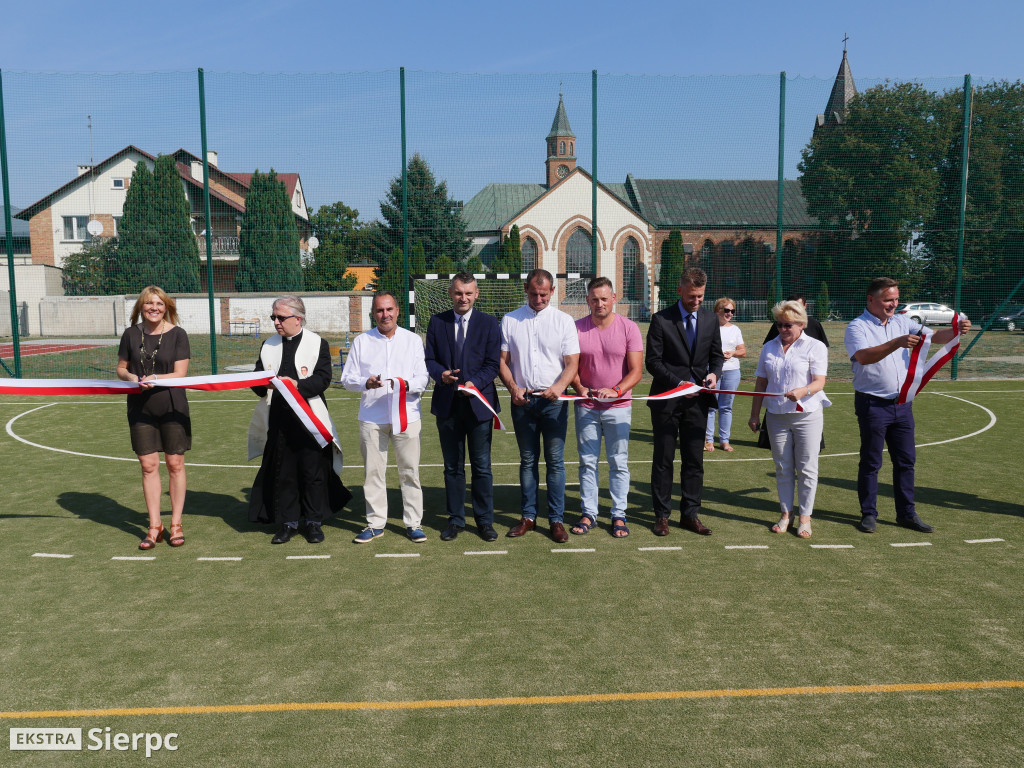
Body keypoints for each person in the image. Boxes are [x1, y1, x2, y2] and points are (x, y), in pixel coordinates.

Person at [845, 277, 970, 534]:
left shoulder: (903, 321)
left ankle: (907, 514)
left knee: (905, 462)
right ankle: (869, 514)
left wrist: (957, 330)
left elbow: (935, 337)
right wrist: (897, 343)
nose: (894, 304)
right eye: (888, 300)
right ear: (871, 300)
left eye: (896, 299)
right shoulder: (857, 326)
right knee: (871, 462)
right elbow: (863, 357)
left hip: (902, 404)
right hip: (872, 404)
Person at [248, 296, 350, 544]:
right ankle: (288, 523)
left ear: (298, 318)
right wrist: (261, 384)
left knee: (313, 472)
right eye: (273, 317)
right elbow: (257, 380)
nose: (276, 322)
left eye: (280, 317)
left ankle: (314, 522)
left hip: (310, 419)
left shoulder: (318, 343)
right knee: (284, 472)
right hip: (279, 420)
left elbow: (323, 378)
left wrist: (297, 386)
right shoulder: (268, 345)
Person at [499, 269, 580, 543]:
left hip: (554, 402)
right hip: (522, 401)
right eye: (533, 293)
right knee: (528, 460)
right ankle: (528, 517)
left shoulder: (564, 321)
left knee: (555, 462)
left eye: (544, 294)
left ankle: (556, 520)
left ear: (552, 291)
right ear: (526, 289)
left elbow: (572, 363)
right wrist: (513, 388)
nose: (538, 299)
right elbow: (502, 361)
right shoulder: (510, 319)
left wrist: (559, 387)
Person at [342, 291, 430, 543]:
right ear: (373, 313)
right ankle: (375, 523)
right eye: (380, 310)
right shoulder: (362, 341)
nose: (385, 315)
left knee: (410, 471)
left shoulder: (413, 340)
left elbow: (423, 377)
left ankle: (413, 523)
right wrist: (365, 383)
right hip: (372, 417)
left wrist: (405, 385)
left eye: (389, 309)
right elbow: (347, 379)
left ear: (397, 311)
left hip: (407, 416)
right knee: (373, 473)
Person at [646, 267, 724, 536]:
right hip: (667, 402)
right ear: (680, 290)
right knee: (664, 460)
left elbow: (716, 357)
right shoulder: (661, 320)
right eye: (692, 296)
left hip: (698, 403)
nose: (696, 301)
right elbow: (652, 362)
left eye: (701, 296)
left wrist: (714, 374)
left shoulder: (711, 320)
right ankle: (662, 516)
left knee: (694, 461)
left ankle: (690, 515)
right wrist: (678, 384)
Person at [425, 273, 501, 543]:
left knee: (482, 467)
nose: (463, 298)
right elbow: (429, 359)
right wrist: (441, 375)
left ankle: (484, 521)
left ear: (476, 294)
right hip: (447, 405)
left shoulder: (489, 323)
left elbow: (493, 364)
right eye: (458, 293)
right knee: (452, 467)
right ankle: (455, 520)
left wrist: (474, 383)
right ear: (450, 293)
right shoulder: (437, 322)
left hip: (479, 406)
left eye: (468, 293)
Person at [747, 300, 831, 538]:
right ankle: (786, 513)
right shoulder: (769, 347)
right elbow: (761, 382)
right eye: (779, 324)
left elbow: (819, 382)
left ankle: (805, 517)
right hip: (776, 415)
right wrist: (754, 414)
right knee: (783, 467)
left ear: (801, 324)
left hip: (807, 415)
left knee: (807, 468)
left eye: (788, 325)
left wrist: (803, 391)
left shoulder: (815, 346)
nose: (783, 329)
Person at [116, 286, 191, 550]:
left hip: (172, 405)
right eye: (149, 303)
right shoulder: (130, 334)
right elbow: (121, 368)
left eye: (159, 304)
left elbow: (180, 373)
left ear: (166, 307)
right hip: (140, 407)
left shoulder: (178, 334)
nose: (154, 308)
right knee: (148, 466)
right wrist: (131, 377)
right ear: (141, 307)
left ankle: (176, 524)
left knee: (175, 464)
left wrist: (156, 378)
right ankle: (154, 526)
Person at [569, 277, 643, 538]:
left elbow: (636, 371)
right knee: (587, 462)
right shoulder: (576, 328)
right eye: (594, 299)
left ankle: (618, 514)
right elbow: (570, 367)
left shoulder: (629, 328)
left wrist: (616, 391)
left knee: (618, 462)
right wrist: (580, 388)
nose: (599, 303)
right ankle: (589, 513)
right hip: (586, 406)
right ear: (587, 301)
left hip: (618, 407)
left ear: (613, 298)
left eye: (604, 299)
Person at [705, 297, 746, 453]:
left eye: (732, 311)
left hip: (732, 371)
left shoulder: (735, 329)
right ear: (717, 311)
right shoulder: (709, 327)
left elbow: (743, 351)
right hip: (712, 371)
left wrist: (733, 353)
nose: (730, 314)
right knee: (710, 406)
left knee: (726, 407)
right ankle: (708, 440)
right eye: (727, 310)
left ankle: (724, 440)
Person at [763, 293, 830, 346]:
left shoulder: (815, 324)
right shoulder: (780, 324)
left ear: (805, 306)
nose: (795, 309)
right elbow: (769, 345)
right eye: (792, 307)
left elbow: (822, 346)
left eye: (798, 306)